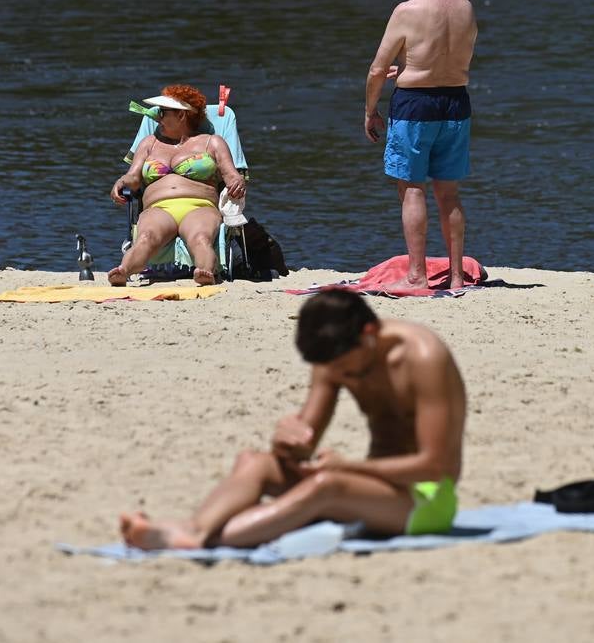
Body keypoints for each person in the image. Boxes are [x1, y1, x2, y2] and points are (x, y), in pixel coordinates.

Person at [119, 289, 466, 550]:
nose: (349, 379)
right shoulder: (333, 357)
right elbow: (302, 447)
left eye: (351, 371)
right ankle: (195, 531)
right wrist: (285, 441)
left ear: (370, 333)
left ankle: (201, 541)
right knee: (254, 462)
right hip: (369, 488)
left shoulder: (423, 358)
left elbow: (437, 467)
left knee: (327, 485)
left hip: (426, 500)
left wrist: (347, 468)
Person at [365, 0, 478, 290]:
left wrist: (370, 111)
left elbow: (376, 70)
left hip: (415, 106)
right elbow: (449, 57)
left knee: (412, 187)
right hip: (456, 103)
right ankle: (457, 275)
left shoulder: (406, 10)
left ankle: (417, 274)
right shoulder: (466, 8)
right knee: (449, 192)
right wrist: (415, 69)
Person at [108, 84, 246, 286]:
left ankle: (205, 272)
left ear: (182, 115)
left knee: (200, 238)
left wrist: (238, 182)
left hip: (200, 206)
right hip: (158, 208)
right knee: (146, 237)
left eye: (163, 112)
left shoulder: (212, 142)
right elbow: (133, 177)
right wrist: (121, 182)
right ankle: (124, 271)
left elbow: (232, 175)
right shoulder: (149, 143)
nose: (158, 117)